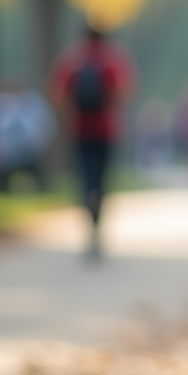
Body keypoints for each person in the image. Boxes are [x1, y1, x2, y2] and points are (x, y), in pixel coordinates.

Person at [51, 24, 135, 258]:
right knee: (102, 180)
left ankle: (89, 226)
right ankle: (98, 228)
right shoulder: (112, 60)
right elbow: (125, 92)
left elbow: (58, 96)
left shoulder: (72, 61)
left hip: (79, 130)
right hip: (106, 130)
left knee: (86, 179)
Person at [0, 77, 56, 192]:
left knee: (38, 178)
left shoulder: (34, 101)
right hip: (5, 152)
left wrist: (39, 142)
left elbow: (47, 124)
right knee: (1, 184)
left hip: (30, 149)